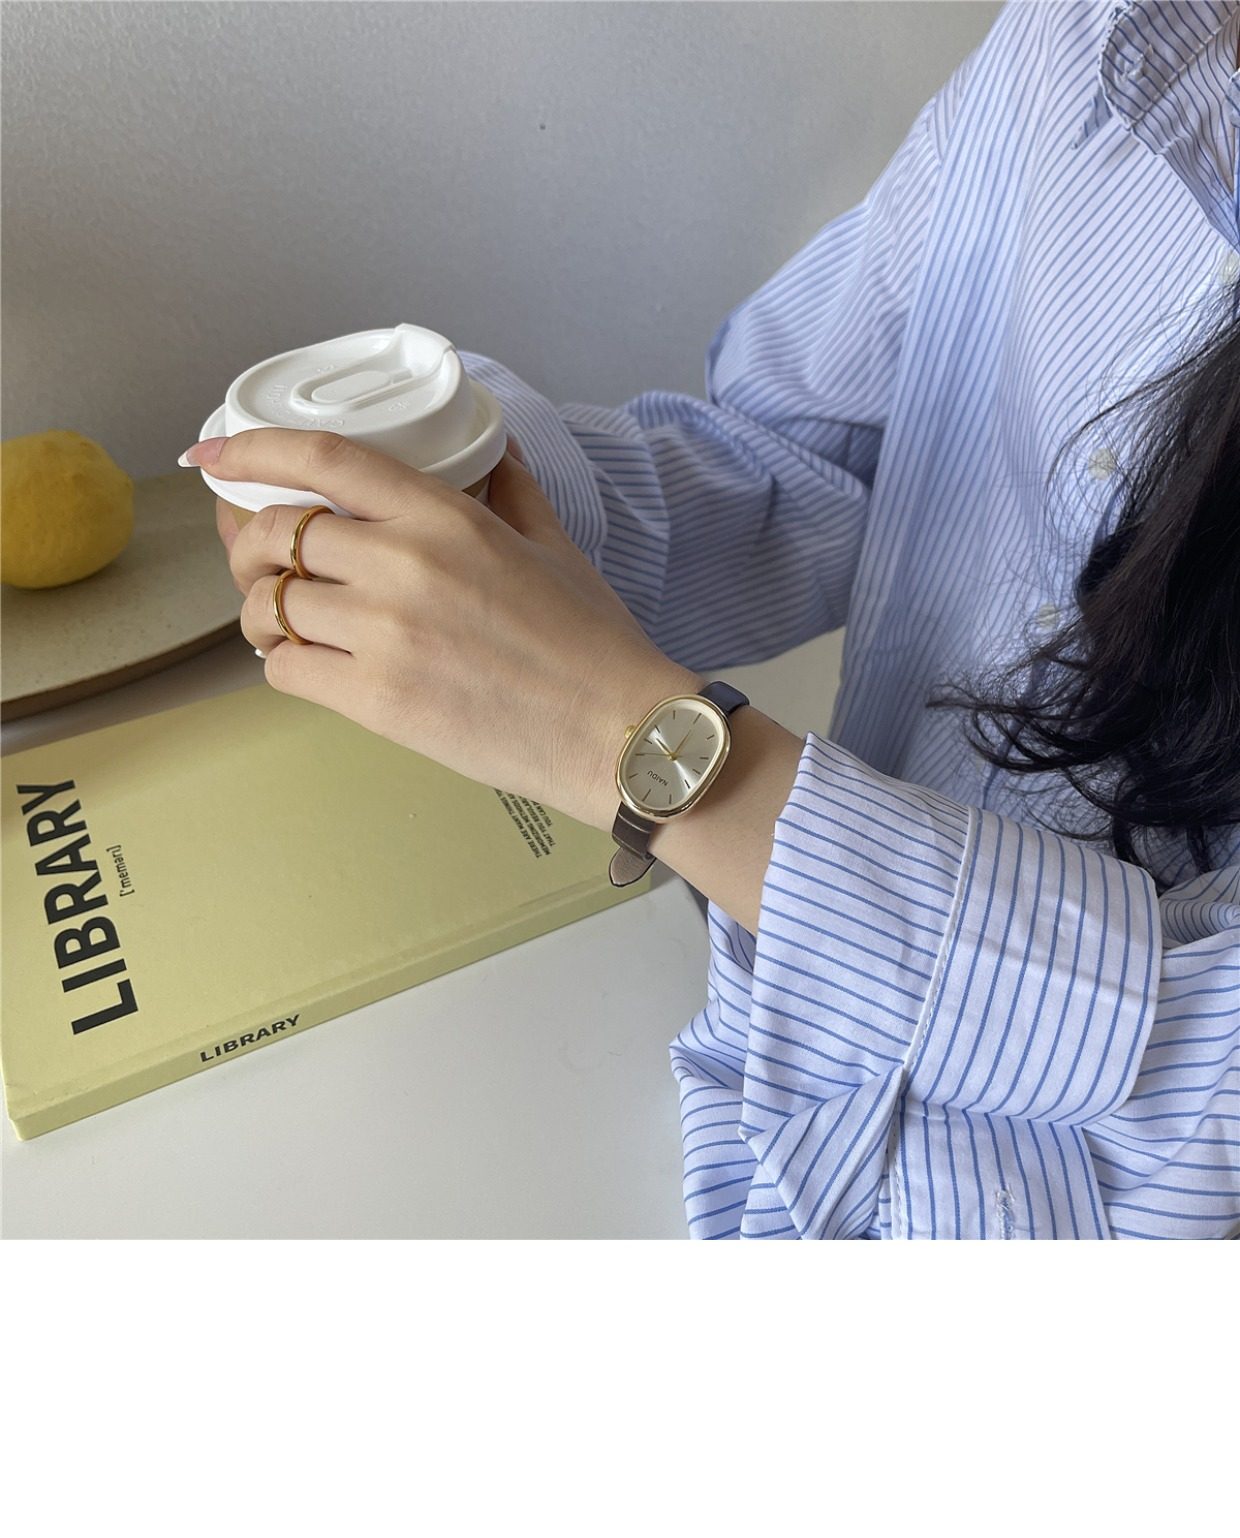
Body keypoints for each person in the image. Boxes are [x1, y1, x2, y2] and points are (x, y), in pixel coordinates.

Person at [195, 0, 1239, 1239]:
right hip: (746, 1042)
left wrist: (657, 752)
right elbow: (802, 450)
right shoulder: (1087, 39)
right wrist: (472, 483)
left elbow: (1192, 1096)